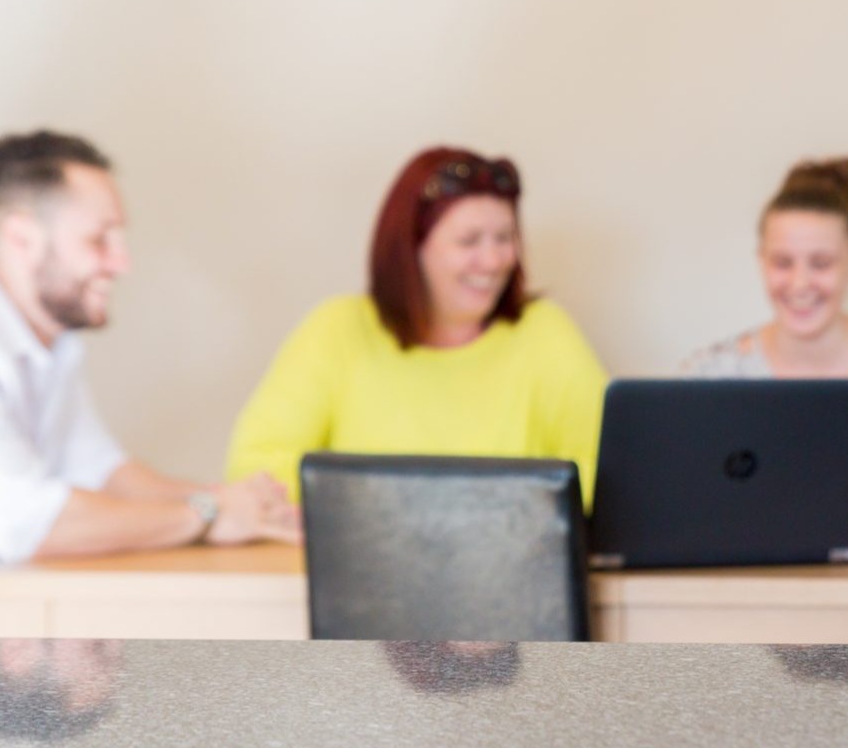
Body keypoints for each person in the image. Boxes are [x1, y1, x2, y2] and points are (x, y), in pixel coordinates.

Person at [0, 132, 300, 713]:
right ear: (21, 236)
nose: (122, 261)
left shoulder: (47, 351)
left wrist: (239, 504)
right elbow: (34, 522)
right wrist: (209, 514)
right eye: (100, 238)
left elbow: (109, 473)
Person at [226, 147, 606, 506]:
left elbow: (609, 472)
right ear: (411, 250)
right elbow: (254, 467)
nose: (493, 261)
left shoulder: (544, 331)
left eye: (505, 238)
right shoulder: (337, 329)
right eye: (469, 241)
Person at [682, 158, 848, 533]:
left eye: (821, 263)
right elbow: (687, 495)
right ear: (761, 262)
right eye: (782, 262)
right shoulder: (710, 371)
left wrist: (781, 515)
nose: (800, 284)